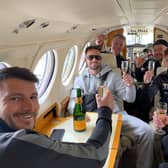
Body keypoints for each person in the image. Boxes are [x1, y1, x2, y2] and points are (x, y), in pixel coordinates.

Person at [0, 66, 115, 168]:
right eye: (15, 98)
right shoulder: (19, 143)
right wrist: (105, 110)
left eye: (33, 97)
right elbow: (96, 154)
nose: (30, 107)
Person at [68, 45, 154, 168]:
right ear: (85, 60)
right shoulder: (80, 80)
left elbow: (130, 98)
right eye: (90, 57)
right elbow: (72, 103)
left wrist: (130, 86)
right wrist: (82, 113)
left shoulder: (113, 76)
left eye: (97, 57)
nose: (94, 60)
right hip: (92, 119)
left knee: (148, 131)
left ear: (101, 59)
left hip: (116, 117)